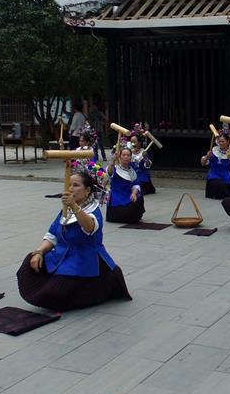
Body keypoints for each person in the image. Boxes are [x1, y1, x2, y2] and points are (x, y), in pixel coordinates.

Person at [17, 162, 131, 312]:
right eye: (69, 185)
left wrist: (74, 206)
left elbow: (89, 227)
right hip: (61, 255)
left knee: (55, 293)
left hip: (83, 260)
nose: (71, 189)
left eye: (76, 185)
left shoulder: (93, 211)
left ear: (87, 191)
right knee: (30, 261)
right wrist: (39, 252)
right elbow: (52, 235)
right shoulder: (65, 210)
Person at [105, 146, 144, 224]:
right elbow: (109, 173)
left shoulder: (133, 169)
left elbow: (136, 184)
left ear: (130, 157)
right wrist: (112, 161)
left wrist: (134, 193)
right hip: (117, 195)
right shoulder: (115, 168)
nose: (126, 157)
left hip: (128, 193)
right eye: (123, 155)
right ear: (120, 157)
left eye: (128, 155)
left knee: (139, 197)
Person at [201, 128, 230, 199]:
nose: (221, 143)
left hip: (226, 175)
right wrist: (207, 157)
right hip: (214, 175)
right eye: (220, 141)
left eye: (223, 141)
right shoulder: (213, 151)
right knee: (218, 183)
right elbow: (203, 163)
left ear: (228, 142)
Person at [129, 125, 155, 195]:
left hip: (141, 175)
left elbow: (148, 165)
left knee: (139, 187)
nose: (132, 144)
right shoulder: (129, 152)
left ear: (139, 143)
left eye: (134, 142)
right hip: (131, 174)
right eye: (131, 142)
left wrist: (145, 158)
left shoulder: (143, 152)